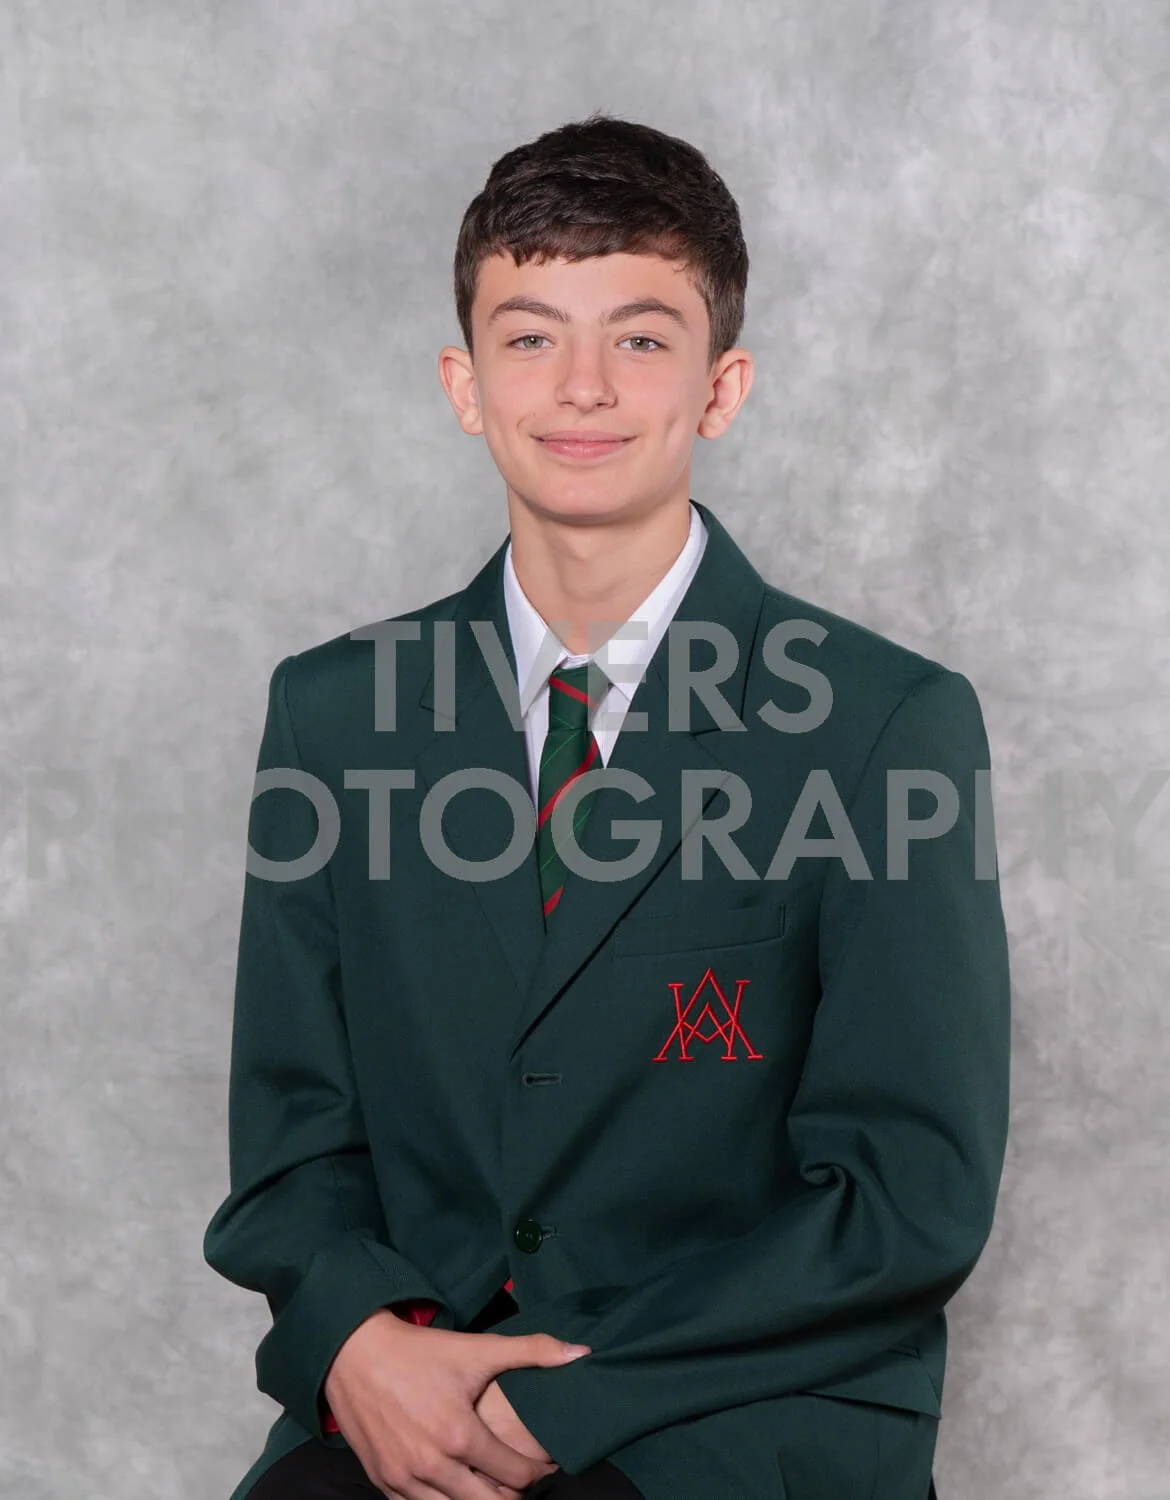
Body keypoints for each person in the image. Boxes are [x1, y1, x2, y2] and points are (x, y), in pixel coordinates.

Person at [204, 112, 1010, 1500]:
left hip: (733, 1413)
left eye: (639, 337)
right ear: (465, 384)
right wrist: (366, 1346)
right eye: (530, 337)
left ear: (721, 386)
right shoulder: (334, 718)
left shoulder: (887, 725)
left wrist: (566, 1405)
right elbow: (292, 1148)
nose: (582, 387)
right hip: (418, 1390)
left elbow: (906, 1199)